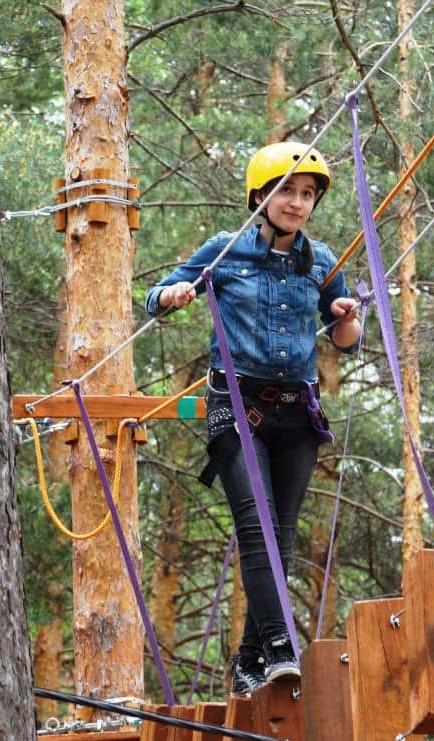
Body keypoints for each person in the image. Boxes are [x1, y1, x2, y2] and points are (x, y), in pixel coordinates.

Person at [145, 141, 363, 695]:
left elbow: (348, 342)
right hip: (237, 405)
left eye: (307, 194)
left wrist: (344, 316)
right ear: (261, 196)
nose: (297, 203)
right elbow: (157, 295)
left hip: (297, 412)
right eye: (287, 191)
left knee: (281, 538)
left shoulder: (320, 262)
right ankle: (280, 646)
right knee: (257, 528)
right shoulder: (227, 250)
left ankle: (248, 659)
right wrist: (172, 294)